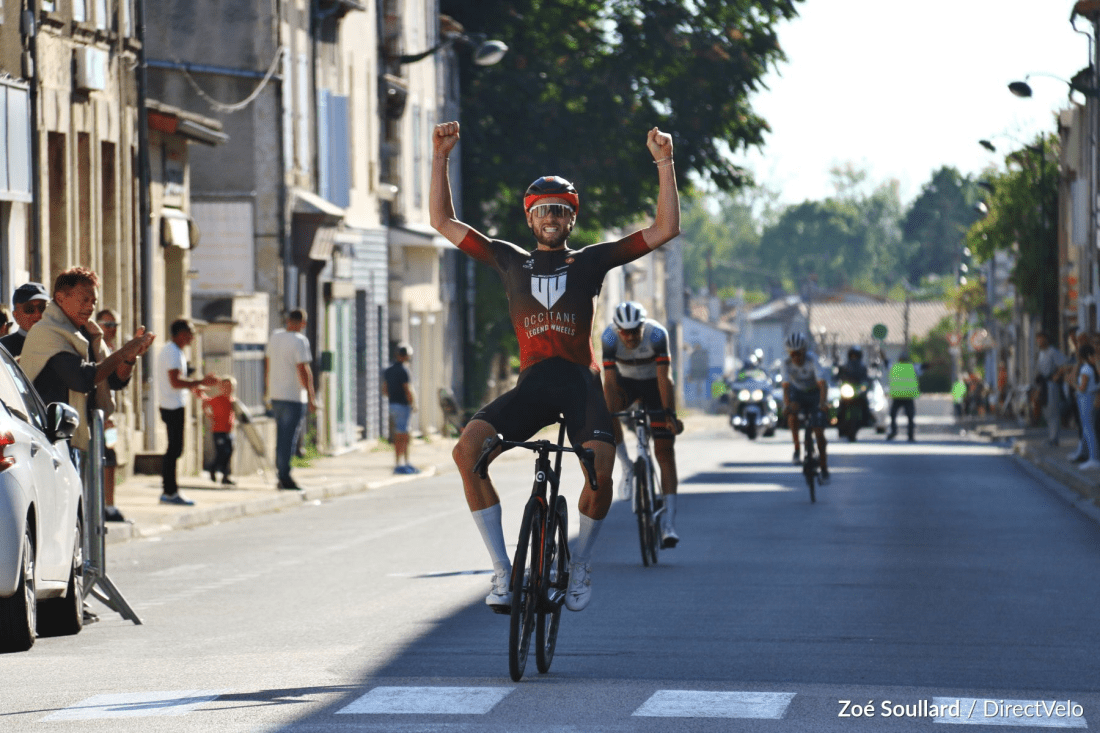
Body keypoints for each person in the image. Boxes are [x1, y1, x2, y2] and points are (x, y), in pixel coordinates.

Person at [429, 119, 680, 614]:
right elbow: (442, 220)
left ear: (571, 220)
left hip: (581, 387)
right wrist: (440, 156)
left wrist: (664, 161)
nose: (551, 216)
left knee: (601, 474)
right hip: (533, 388)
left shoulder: (590, 261)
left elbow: (664, 229)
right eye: (542, 209)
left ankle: (580, 563)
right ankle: (503, 570)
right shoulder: (509, 260)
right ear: (530, 219)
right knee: (466, 451)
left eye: (561, 210)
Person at [20, 269, 155, 462]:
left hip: (79, 437)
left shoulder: (88, 332)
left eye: (93, 301)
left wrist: (130, 358)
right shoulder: (46, 332)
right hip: (49, 440)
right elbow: (82, 379)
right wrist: (123, 352)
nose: (90, 307)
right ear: (60, 298)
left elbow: (114, 380)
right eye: (84, 300)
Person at [601, 301, 683, 548]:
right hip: (626, 385)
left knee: (664, 452)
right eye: (624, 332)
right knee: (607, 412)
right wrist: (609, 414)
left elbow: (664, 378)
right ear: (617, 330)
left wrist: (669, 414)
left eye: (635, 331)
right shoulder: (609, 337)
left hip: (654, 386)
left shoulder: (657, 335)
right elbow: (609, 383)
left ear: (643, 326)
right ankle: (627, 466)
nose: (630, 337)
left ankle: (668, 524)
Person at [157, 319, 218, 505]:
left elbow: (179, 381)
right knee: (174, 449)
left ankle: (170, 490)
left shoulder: (175, 351)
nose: (192, 337)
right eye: (190, 333)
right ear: (182, 334)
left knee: (175, 449)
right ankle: (169, 491)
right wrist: (201, 381)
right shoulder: (173, 352)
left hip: (173, 403)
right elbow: (175, 382)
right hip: (172, 406)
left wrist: (194, 388)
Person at [265, 309, 318, 490]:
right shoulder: (300, 340)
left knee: (281, 437)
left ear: (287, 321)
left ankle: (281, 473)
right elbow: (303, 370)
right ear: (302, 323)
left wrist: (267, 389)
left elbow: (267, 363)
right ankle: (285, 476)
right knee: (289, 439)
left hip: (276, 395)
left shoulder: (275, 337)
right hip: (293, 396)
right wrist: (311, 396)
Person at [780, 332, 830, 483]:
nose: (796, 357)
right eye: (792, 354)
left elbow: (822, 384)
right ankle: (797, 449)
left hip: (814, 393)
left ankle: (824, 467)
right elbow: (786, 387)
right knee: (792, 414)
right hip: (798, 394)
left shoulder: (812, 359)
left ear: (804, 350)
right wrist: (787, 405)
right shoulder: (786, 363)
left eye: (799, 353)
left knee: (819, 431)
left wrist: (822, 403)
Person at [95, 308, 129, 521]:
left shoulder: (112, 349)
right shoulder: (94, 348)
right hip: (99, 415)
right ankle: (103, 506)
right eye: (107, 325)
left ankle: (109, 505)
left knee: (111, 458)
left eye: (115, 325)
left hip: (110, 415)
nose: (112, 329)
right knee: (104, 459)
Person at [382, 343, 418, 474]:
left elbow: (384, 390)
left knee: (398, 433)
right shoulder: (404, 370)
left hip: (392, 405)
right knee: (403, 435)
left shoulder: (388, 370)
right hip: (403, 405)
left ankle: (399, 461)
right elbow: (407, 389)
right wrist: (413, 403)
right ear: (405, 356)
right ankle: (403, 463)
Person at [1, 282, 50, 357]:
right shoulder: (3, 349)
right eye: (29, 308)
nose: (37, 314)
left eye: (42, 308)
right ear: (16, 316)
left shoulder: (61, 343)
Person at [1035, 331, 1066, 447]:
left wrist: (1056, 376)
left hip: (1051, 384)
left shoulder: (1053, 351)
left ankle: (1054, 438)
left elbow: (1063, 365)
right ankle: (1051, 436)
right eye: (1038, 339)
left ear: (1046, 339)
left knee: (1053, 411)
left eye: (1041, 338)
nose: (1039, 341)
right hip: (1043, 385)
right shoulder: (1041, 353)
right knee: (1047, 412)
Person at [1075, 342, 1100, 470]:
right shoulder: (1094, 368)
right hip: (1092, 397)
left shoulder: (1085, 369)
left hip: (1085, 398)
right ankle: (1093, 457)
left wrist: (1073, 385)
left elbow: (1082, 387)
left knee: (1088, 429)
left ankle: (1093, 458)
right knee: (1091, 428)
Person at [887, 352, 920, 441]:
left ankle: (894, 431)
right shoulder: (913, 367)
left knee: (893, 415)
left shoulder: (894, 367)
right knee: (910, 417)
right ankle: (910, 435)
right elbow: (925, 366)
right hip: (908, 396)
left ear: (899, 359)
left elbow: (886, 362)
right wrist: (938, 363)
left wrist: (880, 352)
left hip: (897, 396)